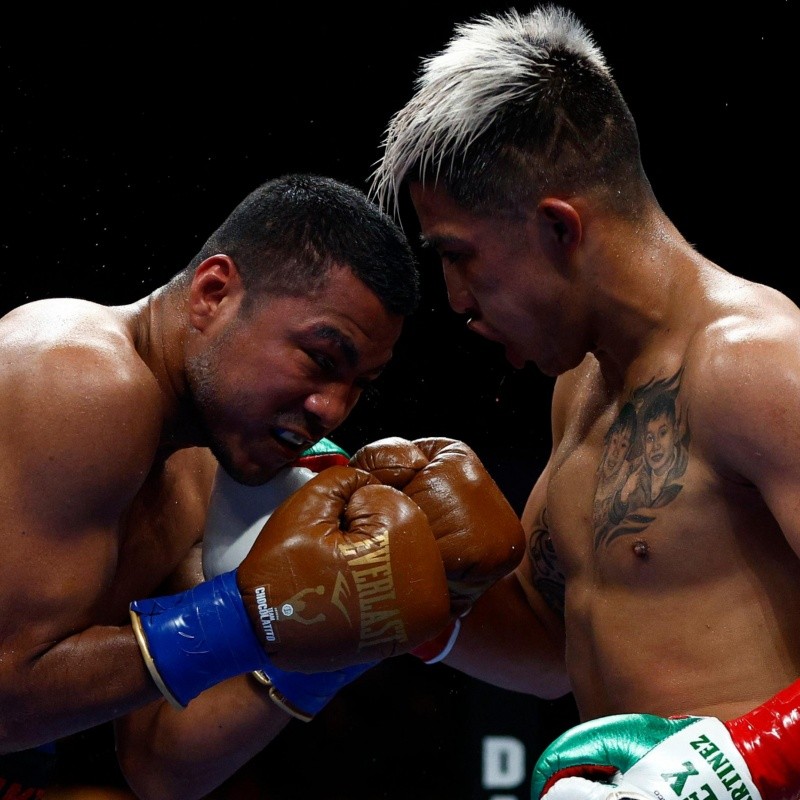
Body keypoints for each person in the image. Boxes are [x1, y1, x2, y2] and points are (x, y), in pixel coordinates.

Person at [367, 5, 800, 798]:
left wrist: (743, 762)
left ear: (559, 227)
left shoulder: (758, 364)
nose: (456, 301)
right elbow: (548, 646)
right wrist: (410, 603)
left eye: (459, 256)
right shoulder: (581, 388)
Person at [0, 172, 527, 799]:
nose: (333, 409)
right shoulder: (81, 375)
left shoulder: (208, 466)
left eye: (360, 383)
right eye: (321, 359)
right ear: (213, 293)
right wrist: (248, 619)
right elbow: (8, 703)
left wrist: (359, 626)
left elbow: (162, 764)